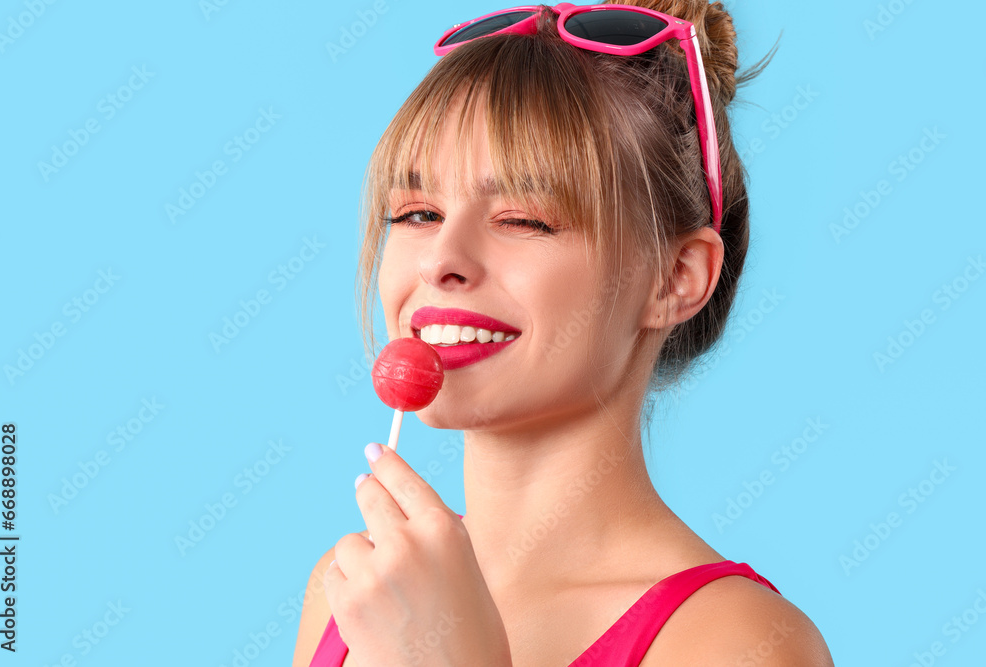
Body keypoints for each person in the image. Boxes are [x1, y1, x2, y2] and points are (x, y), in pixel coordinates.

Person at [294, 2, 835, 665]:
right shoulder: (353, 590)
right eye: (416, 212)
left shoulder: (737, 642)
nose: (441, 259)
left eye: (523, 218)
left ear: (675, 277)